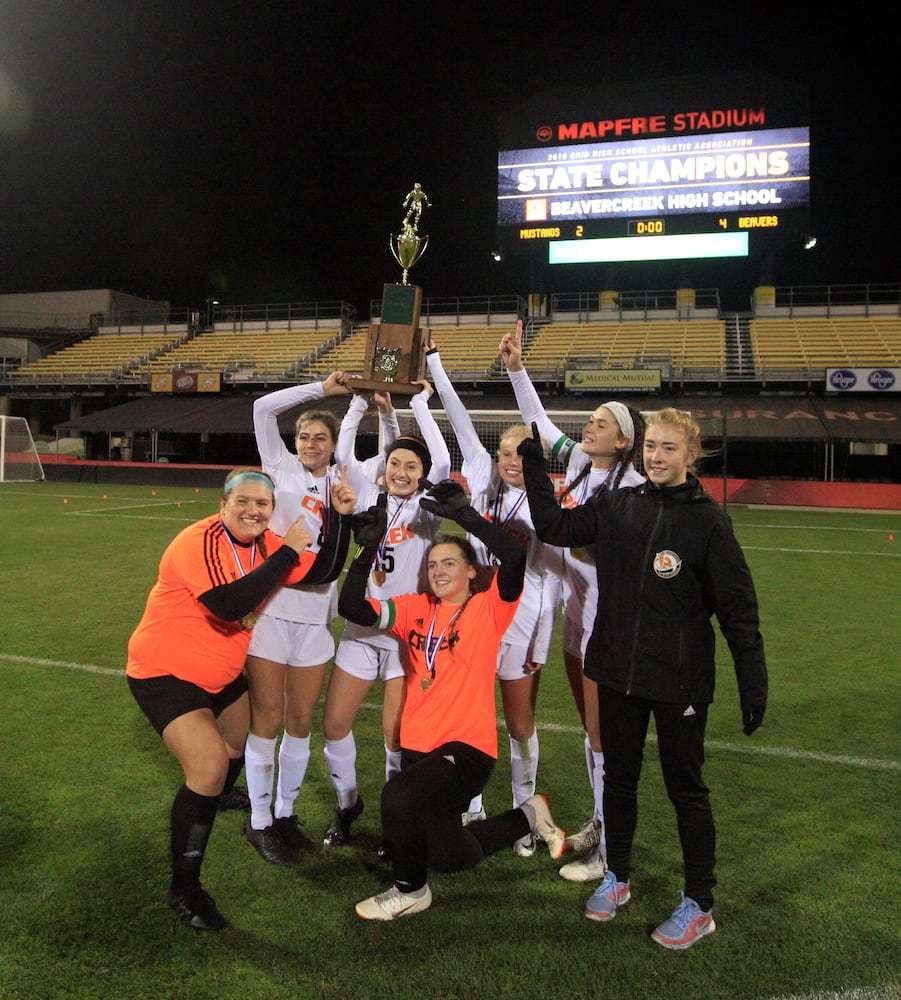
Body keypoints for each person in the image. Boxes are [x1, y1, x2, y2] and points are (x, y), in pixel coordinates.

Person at [517, 408, 768, 950]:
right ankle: (618, 877)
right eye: (651, 447)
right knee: (619, 782)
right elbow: (557, 527)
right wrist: (536, 469)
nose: (656, 457)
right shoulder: (619, 502)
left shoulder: (707, 520)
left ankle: (699, 904)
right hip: (615, 671)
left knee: (687, 791)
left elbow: (737, 606)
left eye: (668, 449)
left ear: (691, 456)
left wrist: (754, 680)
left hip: (679, 681)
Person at [126, 467, 356, 930]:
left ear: (272, 511)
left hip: (221, 676)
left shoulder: (267, 544)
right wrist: (290, 548)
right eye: (243, 502)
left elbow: (326, 569)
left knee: (238, 742)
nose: (253, 511)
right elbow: (229, 604)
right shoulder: (200, 541)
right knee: (209, 765)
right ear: (223, 505)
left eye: (262, 504)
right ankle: (185, 889)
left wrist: (342, 517)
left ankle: (222, 793)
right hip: (165, 672)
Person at [338, 479, 567, 920]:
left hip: (467, 750)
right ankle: (529, 815)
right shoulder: (412, 607)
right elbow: (353, 608)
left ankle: (409, 891)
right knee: (450, 856)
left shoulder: (489, 606)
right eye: (432, 566)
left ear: (470, 572)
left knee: (397, 798)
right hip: (419, 746)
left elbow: (516, 556)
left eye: (448, 563)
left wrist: (465, 517)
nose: (438, 571)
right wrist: (365, 552)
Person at [501, 321, 645, 881]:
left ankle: (610, 850)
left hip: (605, 624)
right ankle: (601, 825)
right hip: (575, 618)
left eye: (601, 423)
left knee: (603, 738)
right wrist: (517, 369)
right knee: (592, 734)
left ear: (623, 441)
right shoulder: (586, 465)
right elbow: (539, 424)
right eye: (590, 420)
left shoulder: (629, 490)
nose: (588, 427)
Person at [243, 372, 395, 866]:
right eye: (305, 435)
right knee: (266, 719)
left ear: (333, 446)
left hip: (317, 619)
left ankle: (285, 815)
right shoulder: (278, 466)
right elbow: (264, 407)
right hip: (270, 612)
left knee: (302, 721)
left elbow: (389, 454)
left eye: (320, 438)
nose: (310, 443)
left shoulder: (341, 482)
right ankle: (260, 821)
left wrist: (384, 412)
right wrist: (321, 390)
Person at [425, 338, 562, 856]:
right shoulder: (481, 474)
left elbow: (548, 578)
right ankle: (473, 801)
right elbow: (458, 415)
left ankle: (526, 812)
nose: (510, 461)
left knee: (520, 723)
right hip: (478, 617)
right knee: (471, 716)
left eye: (520, 453)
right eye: (505, 452)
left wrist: (540, 644)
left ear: (534, 457)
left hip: (525, 620)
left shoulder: (549, 498)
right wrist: (436, 363)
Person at [320, 379, 451, 848]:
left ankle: (396, 822)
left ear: (421, 474)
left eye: (410, 465)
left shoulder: (427, 508)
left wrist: (419, 403)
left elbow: (445, 460)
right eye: (394, 462)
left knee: (396, 735)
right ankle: (347, 805)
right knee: (334, 725)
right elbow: (345, 453)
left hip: (404, 635)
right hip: (359, 630)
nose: (400, 470)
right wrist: (359, 406)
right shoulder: (370, 497)